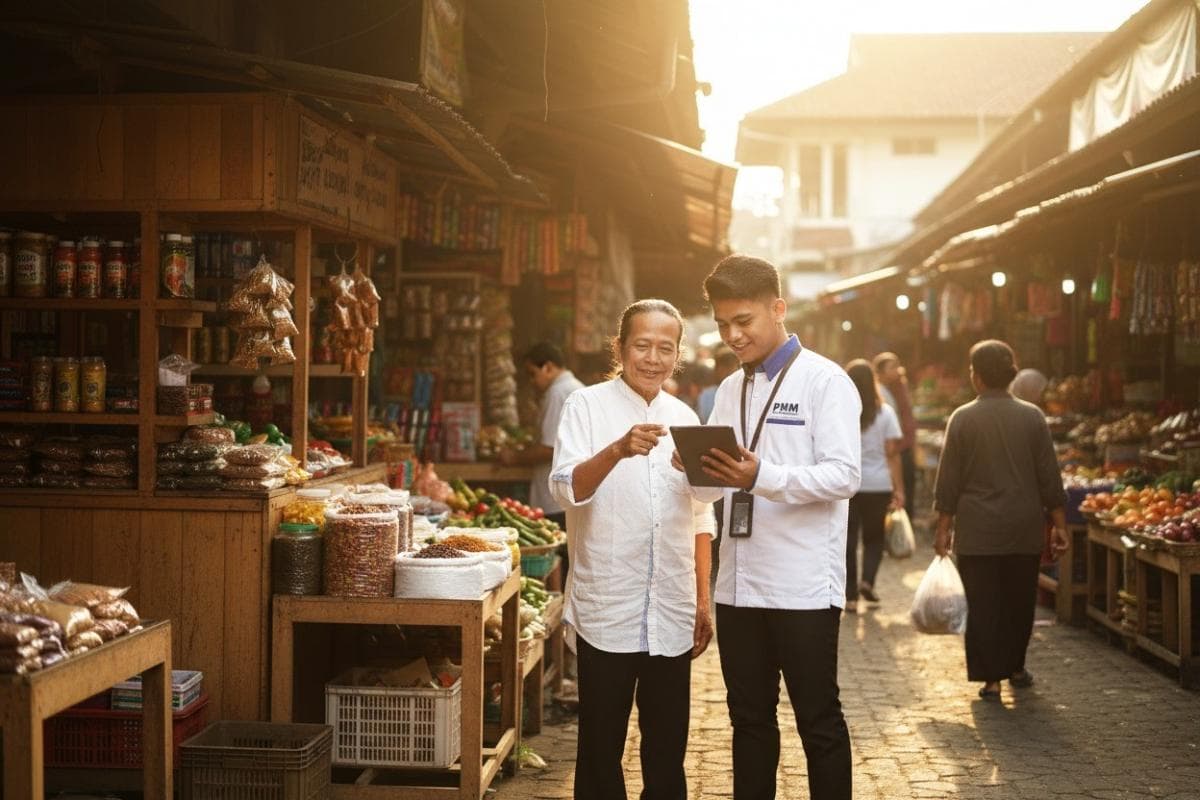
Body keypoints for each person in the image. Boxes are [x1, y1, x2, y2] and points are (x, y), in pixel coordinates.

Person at [681, 254, 860, 800]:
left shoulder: (825, 381)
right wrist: (694, 470)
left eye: (744, 321)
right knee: (749, 720)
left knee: (818, 720)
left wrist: (763, 476)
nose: (732, 336)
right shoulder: (729, 389)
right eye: (722, 325)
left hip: (803, 586)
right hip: (738, 587)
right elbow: (715, 490)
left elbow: (845, 475)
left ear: (778, 309)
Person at [549, 299, 715, 800]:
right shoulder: (585, 406)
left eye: (665, 348)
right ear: (619, 347)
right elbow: (565, 488)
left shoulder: (685, 417)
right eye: (642, 345)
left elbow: (701, 517)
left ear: (678, 355)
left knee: (667, 751)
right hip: (608, 609)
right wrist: (617, 450)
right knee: (600, 750)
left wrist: (702, 599)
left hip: (671, 608)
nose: (652, 358)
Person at [933, 340, 1068, 701]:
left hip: (977, 532)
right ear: (1010, 374)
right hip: (1023, 528)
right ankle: (1016, 667)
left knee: (983, 605)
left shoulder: (962, 418)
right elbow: (1049, 476)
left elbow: (948, 481)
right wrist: (1060, 524)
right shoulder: (1032, 416)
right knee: (1019, 602)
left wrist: (943, 529)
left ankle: (991, 679)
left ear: (976, 376)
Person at [499, 342, 583, 529]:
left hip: (556, 499)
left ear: (548, 367)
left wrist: (514, 457)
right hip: (569, 493)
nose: (532, 381)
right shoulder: (574, 387)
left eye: (532, 374)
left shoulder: (557, 392)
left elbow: (550, 448)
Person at [844, 359, 905, 614]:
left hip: (846, 485)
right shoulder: (886, 413)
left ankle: (849, 597)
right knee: (874, 538)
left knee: (847, 540)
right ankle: (867, 581)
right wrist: (899, 488)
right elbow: (892, 454)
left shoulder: (842, 412)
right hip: (878, 485)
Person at [872, 352, 917, 521]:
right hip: (894, 448)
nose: (897, 370)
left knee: (907, 485)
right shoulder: (880, 393)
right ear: (880, 372)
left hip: (903, 445)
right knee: (899, 490)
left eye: (897, 365)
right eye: (892, 367)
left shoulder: (898, 387)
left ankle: (904, 524)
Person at [698, 348, 739, 423]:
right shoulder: (707, 394)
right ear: (716, 369)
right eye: (723, 368)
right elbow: (706, 420)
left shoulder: (743, 392)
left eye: (730, 368)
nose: (727, 372)